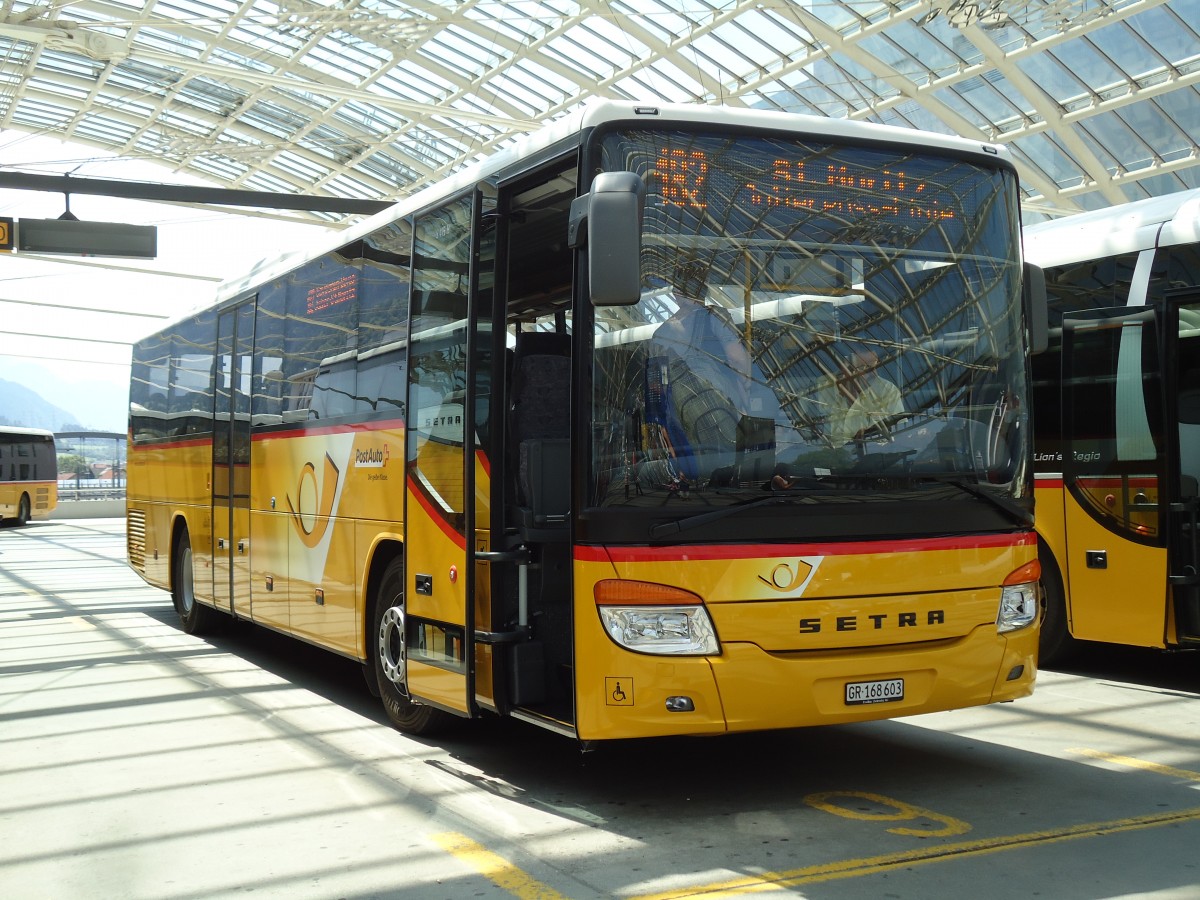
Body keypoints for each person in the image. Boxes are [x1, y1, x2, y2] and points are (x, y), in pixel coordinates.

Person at [823, 346, 904, 446]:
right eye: (864, 367)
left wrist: (870, 432)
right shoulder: (832, 395)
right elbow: (829, 440)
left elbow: (900, 432)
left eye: (872, 366)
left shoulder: (887, 390)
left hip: (878, 454)